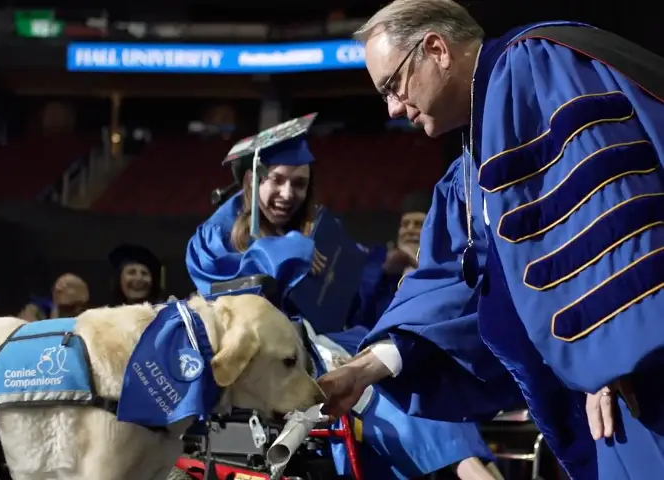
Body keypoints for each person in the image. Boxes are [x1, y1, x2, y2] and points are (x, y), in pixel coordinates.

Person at [320, 1, 664, 478]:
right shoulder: (476, 157)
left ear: (436, 49)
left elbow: (611, 201)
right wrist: (367, 368)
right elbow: (460, 281)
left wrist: (609, 351)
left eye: (392, 85)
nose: (394, 108)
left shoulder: (536, 66)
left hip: (638, 374)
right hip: (609, 386)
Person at [186, 119, 501, 480]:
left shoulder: (316, 230)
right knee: (370, 382)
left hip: (331, 342)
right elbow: (228, 301)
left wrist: (384, 269)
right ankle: (471, 469)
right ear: (251, 180)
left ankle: (472, 465)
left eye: (299, 184)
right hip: (278, 361)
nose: (288, 194)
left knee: (403, 366)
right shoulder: (216, 234)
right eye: (277, 179)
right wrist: (282, 253)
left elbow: (349, 290)